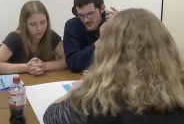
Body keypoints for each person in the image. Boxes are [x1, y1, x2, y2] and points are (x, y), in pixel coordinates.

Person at [43, 8, 184, 124]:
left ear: (110, 49)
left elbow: (51, 117)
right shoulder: (179, 90)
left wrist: (72, 93)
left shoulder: (98, 97)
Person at [0, 0, 67, 75]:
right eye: (33, 24)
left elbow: (69, 59)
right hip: (19, 83)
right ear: (24, 24)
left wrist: (44, 66)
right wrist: (26, 68)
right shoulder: (15, 38)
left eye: (43, 22)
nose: (39, 28)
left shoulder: (50, 35)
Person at [63, 0, 117, 73]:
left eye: (90, 14)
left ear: (102, 8)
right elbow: (73, 63)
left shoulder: (113, 23)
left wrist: (122, 27)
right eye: (81, 15)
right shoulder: (72, 25)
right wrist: (101, 41)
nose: (86, 20)